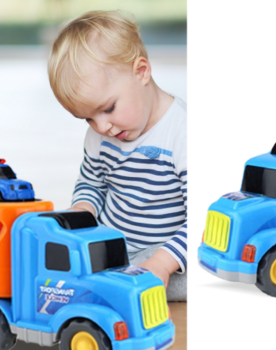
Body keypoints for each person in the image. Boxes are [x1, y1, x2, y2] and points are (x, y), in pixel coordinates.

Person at [48, 10, 186, 301]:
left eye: (108, 108)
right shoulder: (101, 133)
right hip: (111, 245)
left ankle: (121, 283)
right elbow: (91, 182)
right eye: (87, 119)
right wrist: (83, 211)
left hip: (167, 251)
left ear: (141, 72)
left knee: (202, 271)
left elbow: (203, 215)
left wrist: (162, 262)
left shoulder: (182, 131)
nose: (101, 127)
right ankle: (111, 281)